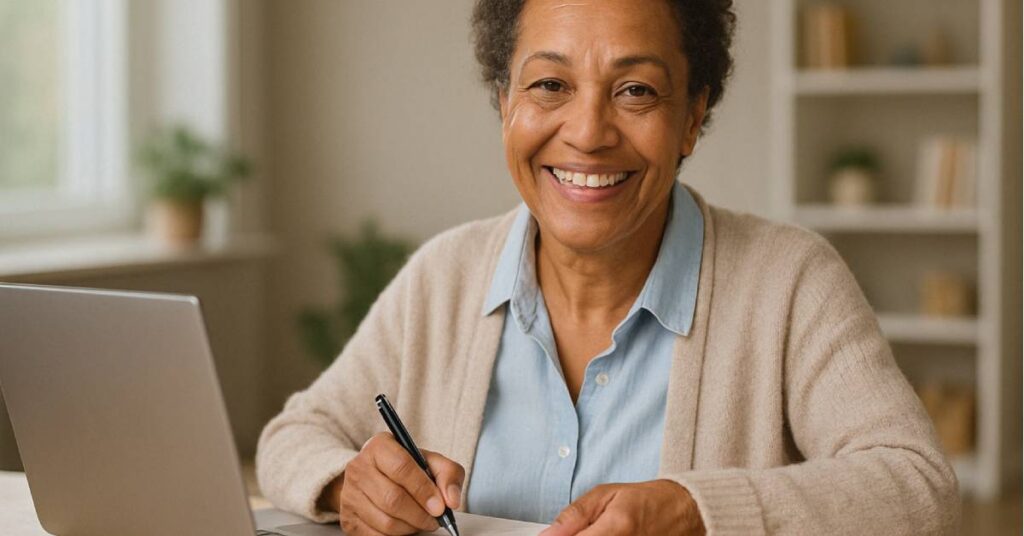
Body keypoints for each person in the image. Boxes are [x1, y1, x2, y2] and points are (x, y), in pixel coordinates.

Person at [256, 0, 960, 534]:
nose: (589, 132)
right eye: (549, 86)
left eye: (636, 91)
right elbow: (292, 436)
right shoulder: (445, 275)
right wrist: (348, 481)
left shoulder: (790, 281)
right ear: (505, 105)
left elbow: (917, 483)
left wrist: (698, 511)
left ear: (692, 116)